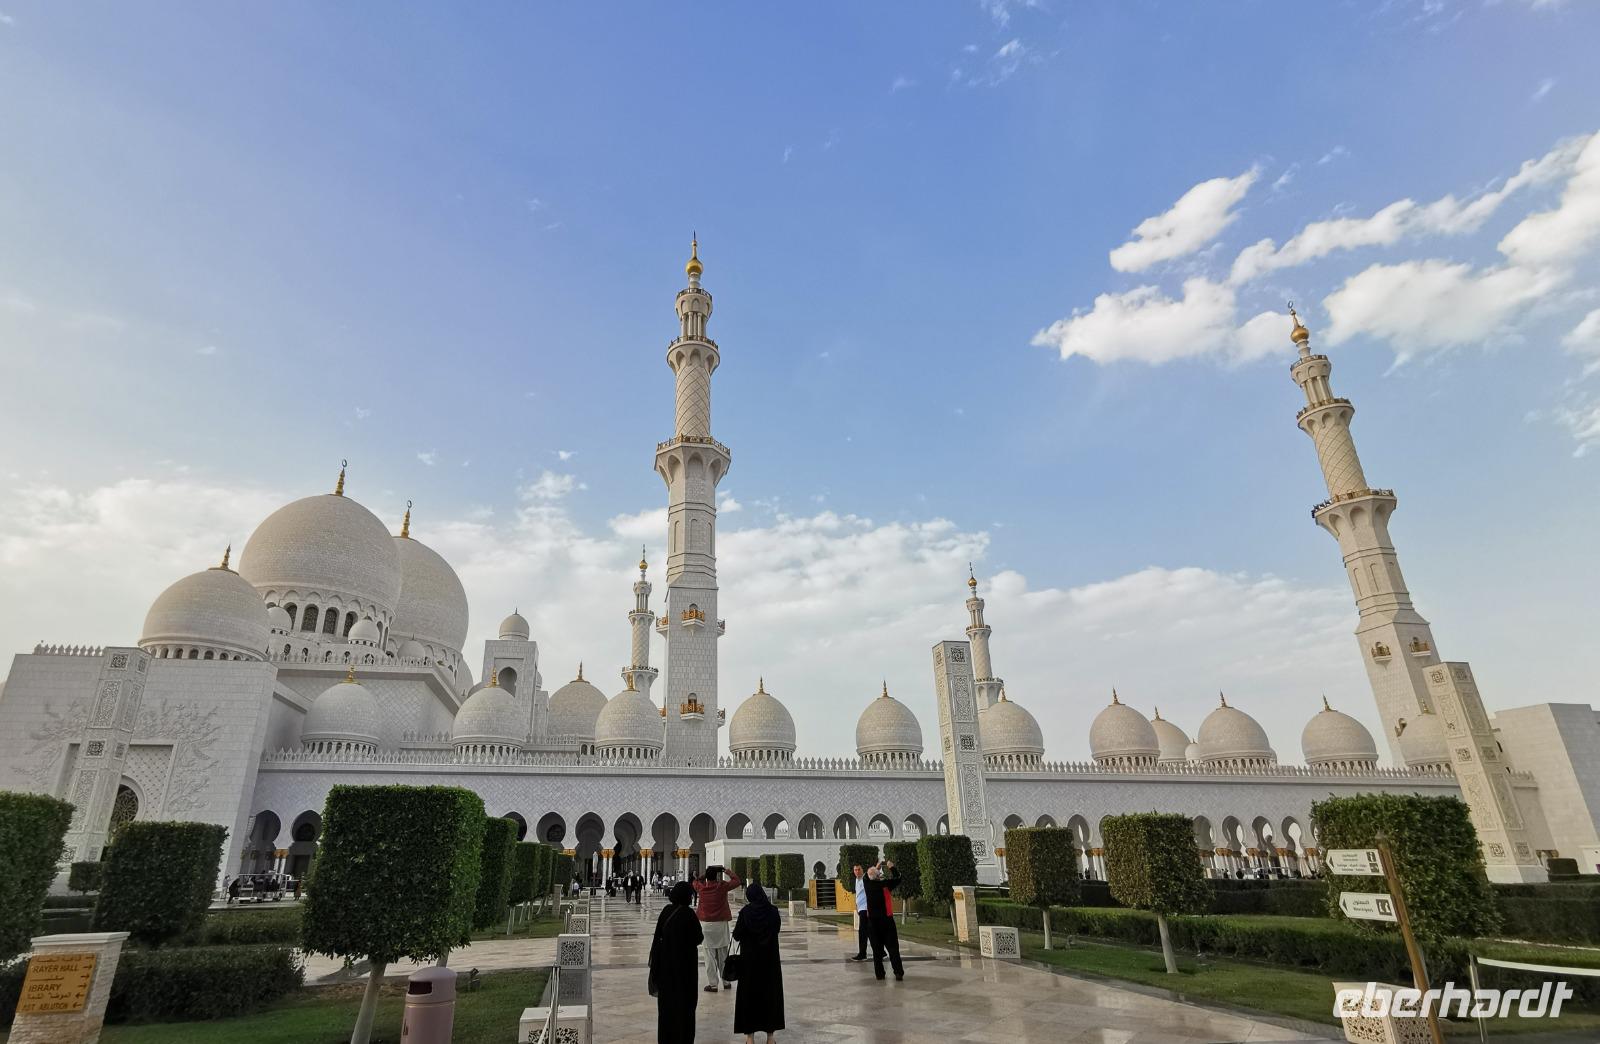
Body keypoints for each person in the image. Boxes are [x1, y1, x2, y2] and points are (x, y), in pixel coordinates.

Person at [650, 881, 704, 1044]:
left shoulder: (666, 911)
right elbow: (698, 938)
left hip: (666, 967)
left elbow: (658, 935)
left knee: (667, 1008)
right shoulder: (688, 914)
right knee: (685, 1006)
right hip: (685, 968)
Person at [732, 882, 785, 1043]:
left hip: (750, 963)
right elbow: (776, 929)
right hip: (770, 962)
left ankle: (750, 1037)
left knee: (749, 997)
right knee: (770, 996)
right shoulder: (773, 911)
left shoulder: (746, 912)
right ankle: (770, 1037)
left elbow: (737, 935)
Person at [693, 863, 742, 992]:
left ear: (707, 877)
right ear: (717, 876)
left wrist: (704, 875)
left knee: (709, 957)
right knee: (723, 955)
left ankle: (713, 984)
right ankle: (726, 981)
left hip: (706, 925)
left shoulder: (701, 888)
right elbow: (737, 881)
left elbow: (695, 882)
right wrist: (727, 871)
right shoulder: (722, 886)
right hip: (721, 925)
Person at [863, 861, 903, 981]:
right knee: (893, 948)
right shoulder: (885, 885)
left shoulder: (867, 885)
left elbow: (866, 877)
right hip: (886, 921)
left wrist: (876, 867)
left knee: (877, 950)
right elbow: (898, 878)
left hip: (872, 923)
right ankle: (898, 972)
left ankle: (879, 974)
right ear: (878, 876)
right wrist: (892, 867)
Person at [847, 864, 868, 962]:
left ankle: (862, 954)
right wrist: (857, 905)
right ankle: (881, 952)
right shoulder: (857, 880)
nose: (857, 871)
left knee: (863, 932)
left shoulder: (865, 879)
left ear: (862, 870)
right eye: (855, 870)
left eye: (859, 869)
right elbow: (859, 894)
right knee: (870, 932)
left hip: (865, 909)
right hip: (861, 908)